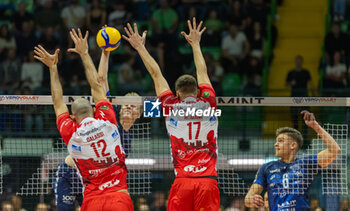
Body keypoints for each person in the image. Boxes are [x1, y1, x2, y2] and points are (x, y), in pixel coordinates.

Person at [123, 17, 220, 210]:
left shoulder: (170, 105)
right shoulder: (208, 101)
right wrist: (195, 44)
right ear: (198, 91)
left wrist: (141, 48)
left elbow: (156, 74)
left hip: (183, 180)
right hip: (207, 180)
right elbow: (202, 71)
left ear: (177, 94)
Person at [33, 28, 133, 211]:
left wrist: (53, 68)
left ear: (72, 117)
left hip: (92, 200)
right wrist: (85, 54)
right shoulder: (107, 120)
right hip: (119, 197)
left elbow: (57, 102)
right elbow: (97, 84)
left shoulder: (71, 132)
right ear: (95, 110)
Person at [244, 110, 341, 210]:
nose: (275, 144)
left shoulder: (305, 163)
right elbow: (248, 198)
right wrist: (251, 200)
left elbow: (335, 150)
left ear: (293, 145)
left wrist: (315, 126)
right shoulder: (267, 168)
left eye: (280, 141)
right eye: (276, 141)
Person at [286, 55, 313, 147]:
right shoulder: (291, 73)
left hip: (304, 98)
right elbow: (286, 84)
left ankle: (305, 141)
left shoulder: (306, 72)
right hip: (294, 98)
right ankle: (296, 141)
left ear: (302, 62)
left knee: (305, 120)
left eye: (299, 60)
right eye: (297, 60)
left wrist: (313, 95)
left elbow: (310, 84)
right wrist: (291, 83)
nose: (298, 62)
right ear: (295, 61)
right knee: (295, 120)